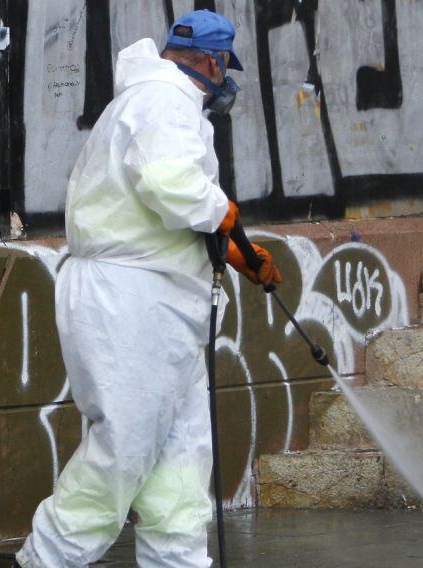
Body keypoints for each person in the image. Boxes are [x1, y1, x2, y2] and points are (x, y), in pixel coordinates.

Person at [15, 10, 281, 568]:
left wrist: (235, 252)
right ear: (214, 63)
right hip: (131, 301)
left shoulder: (152, 101)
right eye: (224, 69)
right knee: (125, 450)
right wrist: (221, 211)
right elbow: (172, 186)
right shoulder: (164, 99)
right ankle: (47, 559)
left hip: (160, 301)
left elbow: (154, 206)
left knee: (180, 461)